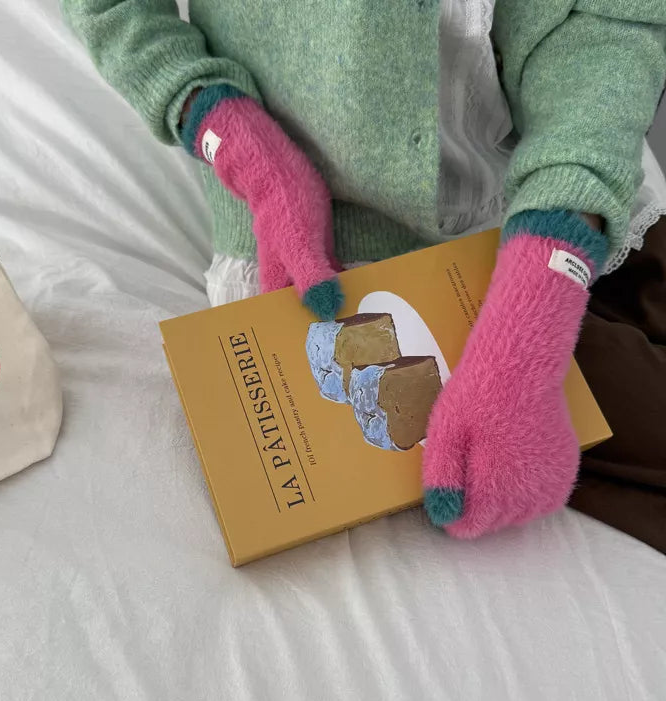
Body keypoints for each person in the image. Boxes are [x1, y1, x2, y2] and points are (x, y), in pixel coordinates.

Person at [62, 0, 666, 541]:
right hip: (331, 237)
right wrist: (235, 140)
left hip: (567, 174)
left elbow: (615, 17)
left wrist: (541, 291)